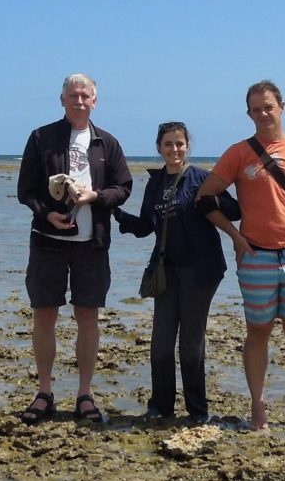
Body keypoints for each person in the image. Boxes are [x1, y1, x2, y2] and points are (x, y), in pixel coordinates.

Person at [196, 80, 285, 432]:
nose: (262, 114)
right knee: (257, 333)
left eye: (268, 107)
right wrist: (234, 235)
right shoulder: (239, 152)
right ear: (248, 113)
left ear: (282, 107)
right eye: (255, 109)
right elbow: (205, 198)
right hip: (256, 256)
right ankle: (258, 406)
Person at [15, 73, 133, 424]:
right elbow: (26, 190)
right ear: (62, 99)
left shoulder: (106, 143)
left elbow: (124, 187)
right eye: (73, 96)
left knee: (87, 317)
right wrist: (46, 212)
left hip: (91, 243)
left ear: (95, 101)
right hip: (48, 243)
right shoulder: (41, 138)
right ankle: (44, 392)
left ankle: (84, 394)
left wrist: (96, 196)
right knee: (44, 314)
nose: (79, 101)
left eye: (85, 96)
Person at [113, 122, 241, 423]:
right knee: (160, 343)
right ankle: (161, 406)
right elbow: (146, 226)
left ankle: (198, 411)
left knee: (190, 346)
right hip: (167, 271)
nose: (174, 149)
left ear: (187, 146)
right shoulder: (155, 183)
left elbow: (235, 210)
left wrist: (210, 199)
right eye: (168, 144)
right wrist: (113, 212)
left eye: (180, 143)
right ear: (159, 148)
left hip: (201, 271)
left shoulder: (201, 178)